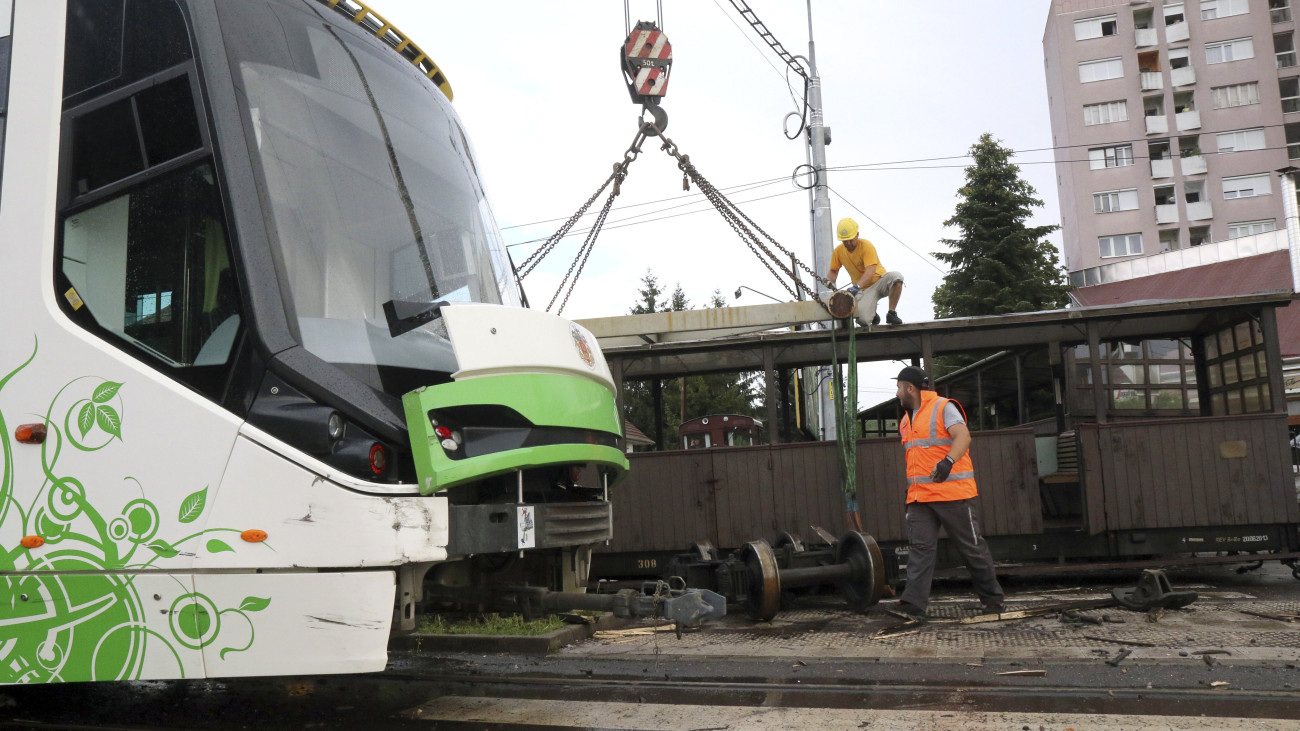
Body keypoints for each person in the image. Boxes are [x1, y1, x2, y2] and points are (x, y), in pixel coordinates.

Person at [890, 366, 1005, 622]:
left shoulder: (943, 407)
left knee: (971, 548)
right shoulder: (907, 420)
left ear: (910, 388)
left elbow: (963, 436)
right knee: (920, 550)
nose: (896, 393)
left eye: (899, 387)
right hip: (920, 498)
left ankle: (993, 599)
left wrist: (947, 462)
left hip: (953, 494)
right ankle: (913, 604)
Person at [826, 217, 904, 326]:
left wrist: (856, 287)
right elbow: (833, 272)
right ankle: (872, 314)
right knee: (862, 320)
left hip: (880, 282)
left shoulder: (866, 246)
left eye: (850, 239)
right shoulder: (838, 252)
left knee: (897, 277)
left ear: (857, 235)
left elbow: (870, 271)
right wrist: (828, 280)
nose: (848, 243)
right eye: (844, 241)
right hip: (864, 290)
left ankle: (891, 313)